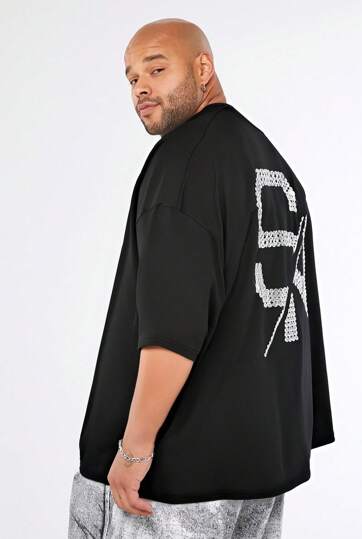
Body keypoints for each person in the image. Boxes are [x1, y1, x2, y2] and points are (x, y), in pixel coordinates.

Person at [68, 17, 335, 538]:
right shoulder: (272, 164)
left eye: (157, 69)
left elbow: (173, 327)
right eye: (131, 77)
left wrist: (133, 450)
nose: (140, 87)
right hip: (258, 466)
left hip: (171, 478)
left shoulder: (184, 163)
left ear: (203, 68)